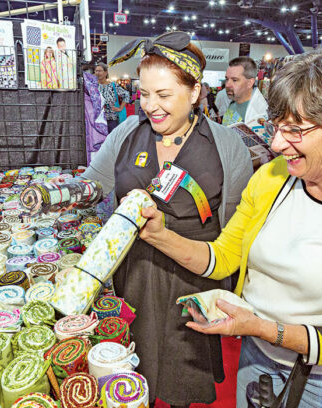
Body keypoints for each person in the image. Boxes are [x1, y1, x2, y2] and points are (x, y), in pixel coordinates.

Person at [135, 44, 322, 407]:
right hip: (258, 357)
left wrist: (260, 328)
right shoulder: (275, 177)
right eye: (276, 127)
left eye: (294, 130)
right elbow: (225, 255)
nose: (276, 144)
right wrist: (159, 235)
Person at [83, 31, 253, 407]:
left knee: (181, 375)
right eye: (144, 94)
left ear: (194, 94)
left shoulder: (226, 146)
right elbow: (94, 184)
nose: (150, 106)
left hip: (193, 277)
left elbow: (238, 226)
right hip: (134, 274)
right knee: (131, 371)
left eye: (163, 95)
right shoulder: (128, 133)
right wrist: (57, 193)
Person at [221, 56, 268, 131]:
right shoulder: (234, 101)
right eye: (227, 79)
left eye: (234, 80)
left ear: (250, 83)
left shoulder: (259, 114)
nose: (227, 84)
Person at [94, 62, 128, 133]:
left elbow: (126, 95)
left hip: (111, 119)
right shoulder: (93, 86)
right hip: (97, 119)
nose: (97, 73)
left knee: (112, 140)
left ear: (106, 72)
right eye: (96, 71)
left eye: (100, 71)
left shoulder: (113, 85)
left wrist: (120, 108)